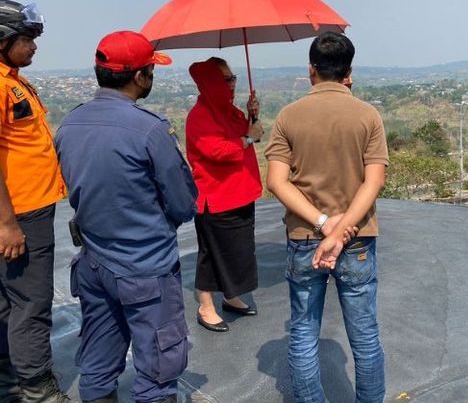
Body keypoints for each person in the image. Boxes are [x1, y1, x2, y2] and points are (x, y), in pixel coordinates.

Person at [54, 31, 198, 403]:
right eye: (150, 70)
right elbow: (183, 204)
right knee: (157, 372)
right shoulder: (150, 129)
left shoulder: (70, 124)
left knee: (98, 367)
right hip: (146, 268)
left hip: (93, 262)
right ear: (139, 76)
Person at [265, 32, 389, 403]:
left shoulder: (289, 116)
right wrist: (341, 231)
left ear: (311, 69)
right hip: (358, 238)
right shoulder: (368, 116)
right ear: (349, 71)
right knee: (364, 336)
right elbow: (374, 182)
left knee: (303, 333)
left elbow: (275, 181)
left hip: (306, 237)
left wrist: (323, 225)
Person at [0, 0, 70, 402]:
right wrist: (8, 224)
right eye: (27, 39)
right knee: (31, 303)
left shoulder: (13, 79)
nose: (34, 47)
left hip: (22, 210)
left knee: (9, 302)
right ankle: (37, 389)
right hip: (19, 215)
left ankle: (8, 380)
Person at [185, 57, 264, 332]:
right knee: (212, 252)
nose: (232, 84)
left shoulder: (227, 111)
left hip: (238, 193)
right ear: (212, 83)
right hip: (215, 198)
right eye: (226, 79)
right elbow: (219, 150)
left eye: (233, 78)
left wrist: (251, 115)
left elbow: (248, 134)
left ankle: (231, 296)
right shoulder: (201, 115)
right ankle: (205, 304)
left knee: (237, 250)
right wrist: (249, 137)